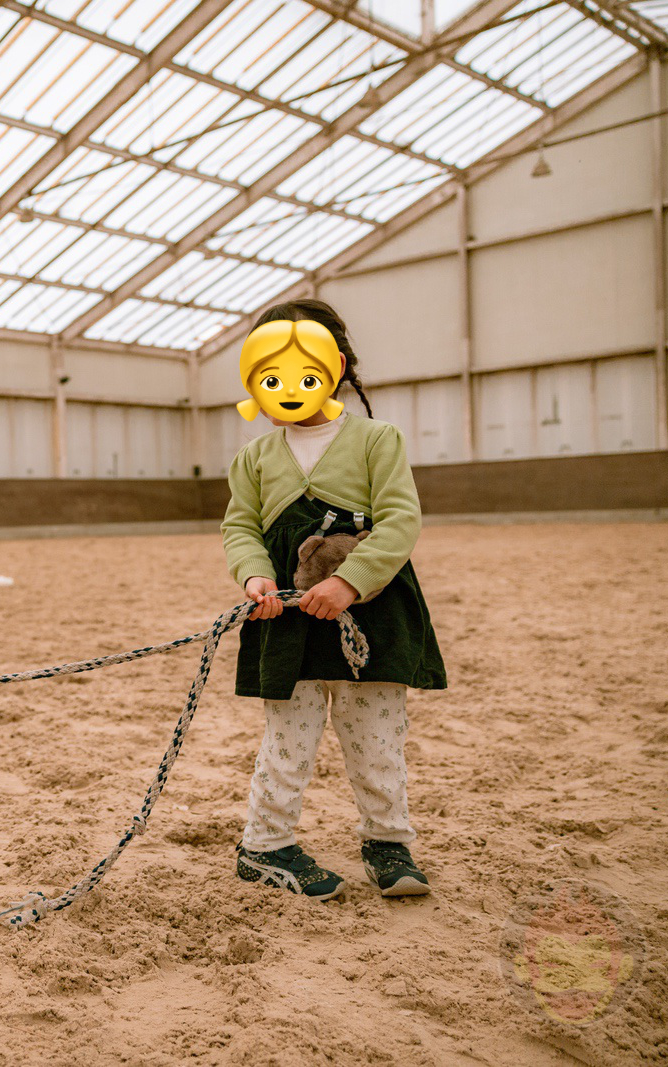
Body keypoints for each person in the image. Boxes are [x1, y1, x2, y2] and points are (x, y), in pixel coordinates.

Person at [221, 298, 446, 901]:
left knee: (377, 738)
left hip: (372, 616)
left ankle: (387, 842)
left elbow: (400, 519)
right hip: (286, 619)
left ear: (335, 366)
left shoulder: (377, 440)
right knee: (287, 740)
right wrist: (254, 578)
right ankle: (265, 846)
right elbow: (240, 527)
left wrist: (350, 581)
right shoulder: (253, 458)